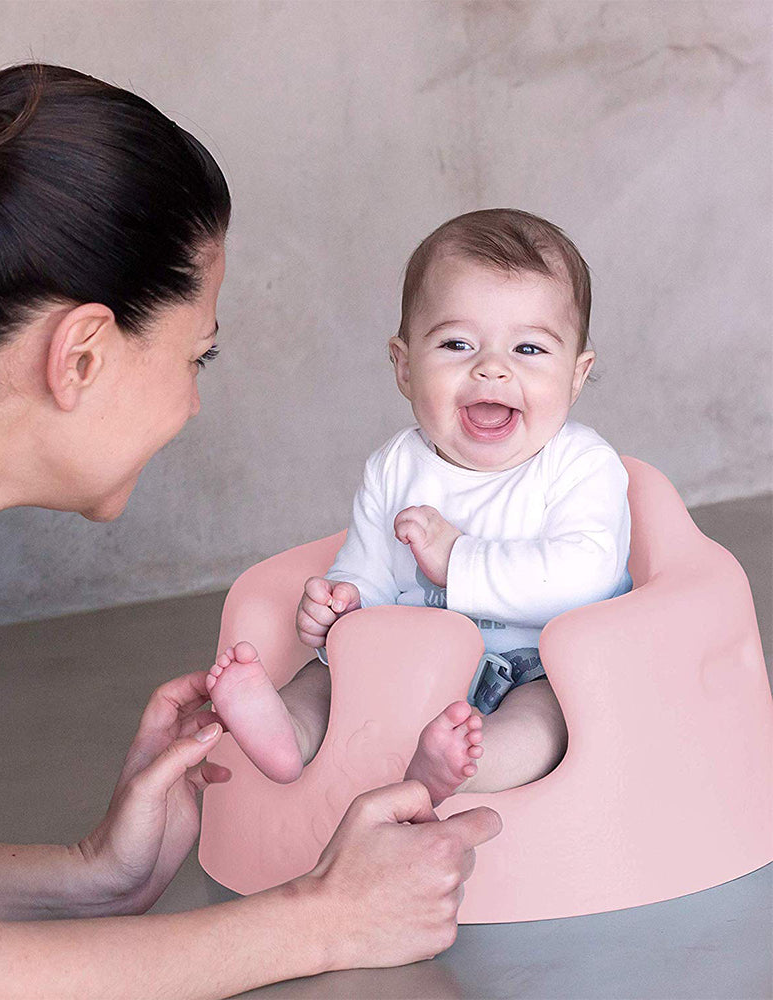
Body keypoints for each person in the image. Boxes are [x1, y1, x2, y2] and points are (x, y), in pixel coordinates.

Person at [0, 5, 503, 997]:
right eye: (196, 354)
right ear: (79, 354)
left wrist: (87, 879)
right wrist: (327, 920)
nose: (195, 400)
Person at [205, 209, 634, 804]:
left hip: (533, 660)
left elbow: (586, 575)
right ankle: (287, 734)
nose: (492, 367)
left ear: (577, 374)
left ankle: (468, 770)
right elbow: (368, 566)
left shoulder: (582, 465)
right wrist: (342, 605)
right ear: (405, 366)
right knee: (327, 677)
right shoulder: (395, 466)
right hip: (411, 658)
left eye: (530, 348)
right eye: (457, 344)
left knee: (547, 721)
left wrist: (458, 559)